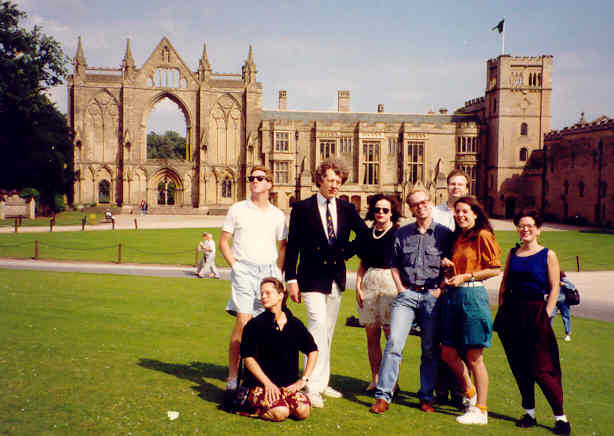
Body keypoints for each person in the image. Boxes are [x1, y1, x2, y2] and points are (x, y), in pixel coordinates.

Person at [284, 158, 368, 408]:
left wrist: (346, 252)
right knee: (318, 326)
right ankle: (311, 384)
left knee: (328, 331)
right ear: (319, 180)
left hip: (335, 278)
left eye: (338, 180)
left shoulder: (346, 208)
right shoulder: (302, 208)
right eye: (330, 180)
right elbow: (293, 247)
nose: (334, 185)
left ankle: (322, 381)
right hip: (309, 277)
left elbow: (364, 235)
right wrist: (290, 278)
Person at [369, 188, 453, 415]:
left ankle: (426, 397)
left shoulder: (445, 234)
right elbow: (394, 264)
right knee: (394, 343)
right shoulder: (402, 233)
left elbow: (453, 265)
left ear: (431, 202)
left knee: (429, 349)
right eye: (415, 204)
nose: (420, 206)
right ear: (410, 208)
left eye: (424, 202)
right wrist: (401, 289)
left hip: (432, 297)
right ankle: (383, 395)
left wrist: (441, 289)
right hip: (406, 296)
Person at [495, 210, 572, 435]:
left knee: (542, 367)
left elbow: (555, 286)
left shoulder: (548, 255)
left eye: (529, 225)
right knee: (519, 366)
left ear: (538, 229)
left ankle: (560, 417)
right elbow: (504, 282)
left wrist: (547, 314)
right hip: (511, 314)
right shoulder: (512, 253)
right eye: (521, 225)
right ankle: (529, 412)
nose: (525, 229)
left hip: (536, 312)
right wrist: (503, 308)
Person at [220, 166, 288, 404]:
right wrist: (235, 265)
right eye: (251, 178)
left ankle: (255, 376)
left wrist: (278, 274)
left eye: (259, 178)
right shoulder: (237, 209)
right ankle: (231, 376)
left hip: (269, 272)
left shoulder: (278, 215)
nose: (254, 182)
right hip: (244, 270)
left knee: (265, 325)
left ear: (269, 183)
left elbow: (282, 247)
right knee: (243, 322)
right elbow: (224, 242)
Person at [440, 196, 501, 425]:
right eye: (457, 212)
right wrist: (449, 269)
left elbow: (494, 268)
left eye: (465, 211)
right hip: (454, 296)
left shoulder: (483, 235)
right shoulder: (459, 237)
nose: (461, 215)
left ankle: (481, 410)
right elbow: (460, 270)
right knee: (447, 352)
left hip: (473, 296)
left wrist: (468, 276)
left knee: (475, 357)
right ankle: (470, 393)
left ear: (475, 213)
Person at [240, 277, 318, 421]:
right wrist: (267, 384)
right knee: (281, 412)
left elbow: (313, 350)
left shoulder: (295, 324)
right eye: (262, 293)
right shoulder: (254, 325)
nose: (263, 296)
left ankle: (281, 403)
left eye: (268, 293)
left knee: (303, 411)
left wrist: (303, 380)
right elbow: (248, 358)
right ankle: (257, 407)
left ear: (281, 295)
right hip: (260, 385)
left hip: (287, 386)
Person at [355, 194, 401, 392]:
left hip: (390, 284)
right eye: (377, 209)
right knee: (372, 336)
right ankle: (375, 378)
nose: (381, 213)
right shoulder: (367, 234)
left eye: (385, 210)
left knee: (391, 336)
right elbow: (363, 263)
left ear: (392, 212)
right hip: (369, 283)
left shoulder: (398, 233)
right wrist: (358, 285)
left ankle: (391, 381)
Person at [432, 169, 469, 407]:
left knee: (461, 342)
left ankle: (460, 392)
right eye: (452, 183)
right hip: (438, 283)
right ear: (447, 186)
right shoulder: (436, 213)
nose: (456, 187)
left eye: (460, 184)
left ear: (467, 187)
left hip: (462, 285)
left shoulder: (470, 214)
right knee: (437, 341)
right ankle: (440, 389)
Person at [552, 271, 574, 342]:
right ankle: (548, 334)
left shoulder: (562, 278)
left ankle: (567, 334)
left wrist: (563, 284)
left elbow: (572, 287)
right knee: (550, 317)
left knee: (566, 317)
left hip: (563, 301)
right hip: (553, 301)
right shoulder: (549, 277)